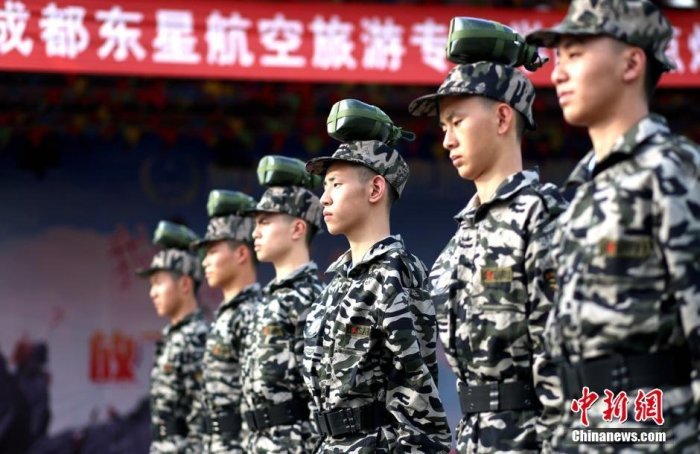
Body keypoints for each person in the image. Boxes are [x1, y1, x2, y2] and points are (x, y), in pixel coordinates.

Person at [525, 0, 700, 451]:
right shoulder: (581, 193)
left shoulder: (674, 172)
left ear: (631, 63)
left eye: (575, 54)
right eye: (557, 57)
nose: (558, 73)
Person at [408, 58, 566, 452]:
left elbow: (569, 363)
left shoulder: (543, 219)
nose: (447, 141)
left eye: (457, 122)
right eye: (443, 127)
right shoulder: (456, 244)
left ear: (502, 118)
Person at [302, 135, 452, 452]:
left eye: (336, 185)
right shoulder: (337, 284)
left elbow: (417, 399)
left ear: (375, 189)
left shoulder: (397, 273)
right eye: (324, 187)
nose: (324, 199)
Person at [241, 156, 325, 452]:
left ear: (297, 229)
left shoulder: (312, 299)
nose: (255, 233)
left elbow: (322, 395)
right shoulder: (267, 301)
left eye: (265, 222)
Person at [191, 190, 262, 453]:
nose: (205, 263)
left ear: (241, 254)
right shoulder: (227, 315)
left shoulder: (252, 313)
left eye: (212, 252)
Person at [136, 221, 208, 453]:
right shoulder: (174, 338)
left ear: (185, 284)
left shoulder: (197, 338)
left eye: (158, 283)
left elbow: (203, 420)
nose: (152, 293)